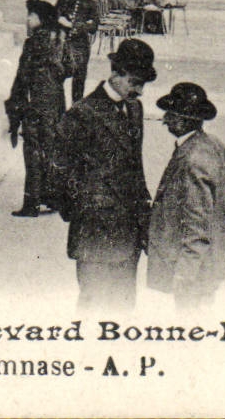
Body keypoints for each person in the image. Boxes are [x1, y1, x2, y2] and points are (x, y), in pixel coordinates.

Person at [56, 38, 157, 311]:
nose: (139, 90)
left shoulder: (134, 109)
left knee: (124, 304)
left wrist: (143, 215)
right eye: (134, 82)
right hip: (95, 230)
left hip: (128, 230)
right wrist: (86, 206)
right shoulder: (82, 113)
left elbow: (136, 166)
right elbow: (60, 170)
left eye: (143, 84)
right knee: (93, 303)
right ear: (116, 73)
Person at [146, 82, 225, 310]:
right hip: (211, 260)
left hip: (196, 268)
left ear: (185, 119)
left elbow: (197, 223)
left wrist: (185, 274)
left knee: (191, 321)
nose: (165, 119)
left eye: (171, 114)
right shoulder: (213, 144)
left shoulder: (191, 159)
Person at [6, 0, 71, 217]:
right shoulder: (61, 38)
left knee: (33, 149)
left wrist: (16, 100)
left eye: (31, 15)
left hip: (35, 101)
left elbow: (23, 75)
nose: (28, 19)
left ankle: (32, 202)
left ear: (40, 19)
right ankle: (55, 197)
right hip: (56, 99)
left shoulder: (32, 42)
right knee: (53, 147)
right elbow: (71, 67)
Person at [55, 0, 101, 104]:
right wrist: (60, 20)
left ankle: (76, 107)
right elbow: (55, 15)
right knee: (57, 75)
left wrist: (72, 25)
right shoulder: (63, 0)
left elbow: (93, 26)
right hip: (62, 43)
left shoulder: (90, 4)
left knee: (79, 79)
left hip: (80, 45)